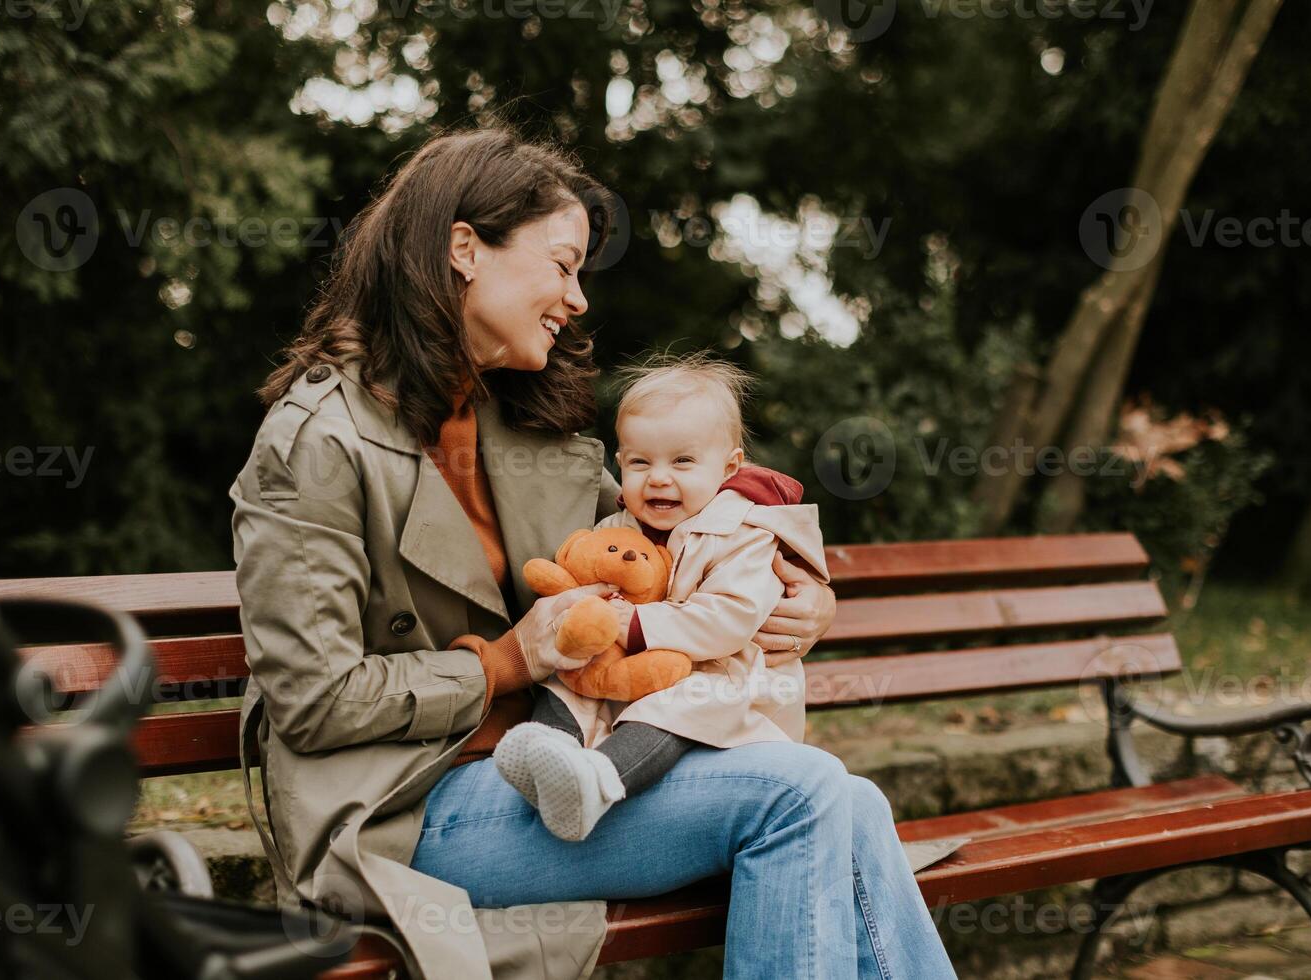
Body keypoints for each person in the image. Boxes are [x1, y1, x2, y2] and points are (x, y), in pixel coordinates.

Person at [231, 123, 957, 980]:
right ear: (465, 249)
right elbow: (315, 701)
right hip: (406, 809)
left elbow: (678, 538)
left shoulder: (519, 425)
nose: (578, 299)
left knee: (852, 801)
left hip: (570, 768)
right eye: (562, 264)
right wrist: (505, 660)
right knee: (801, 795)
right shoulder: (315, 444)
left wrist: (800, 595)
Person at [494, 353, 831, 843]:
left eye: (682, 461)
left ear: (729, 467)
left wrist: (635, 623)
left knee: (671, 705)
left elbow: (729, 619)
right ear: (620, 463)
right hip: (634, 666)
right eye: (639, 462)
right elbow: (587, 578)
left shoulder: (746, 534)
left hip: (725, 676)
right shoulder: (617, 526)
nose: (658, 477)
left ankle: (599, 783)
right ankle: (549, 751)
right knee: (571, 681)